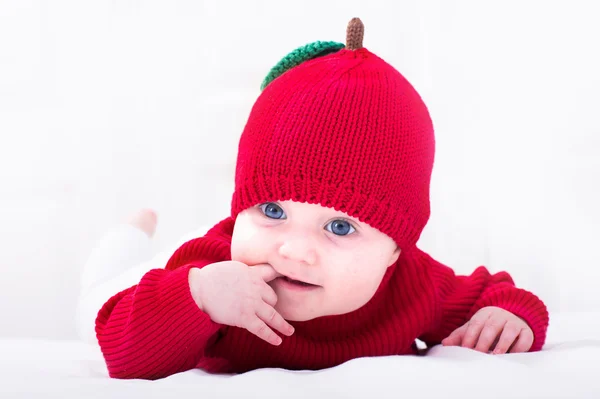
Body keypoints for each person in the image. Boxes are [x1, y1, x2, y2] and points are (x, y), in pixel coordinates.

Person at [89, 18, 549, 380]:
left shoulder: (413, 285)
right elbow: (119, 346)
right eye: (272, 211)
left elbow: (499, 296)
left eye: (340, 227)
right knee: (102, 283)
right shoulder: (216, 270)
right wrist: (199, 298)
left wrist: (508, 316)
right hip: (145, 280)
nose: (294, 250)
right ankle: (129, 236)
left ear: (395, 250)